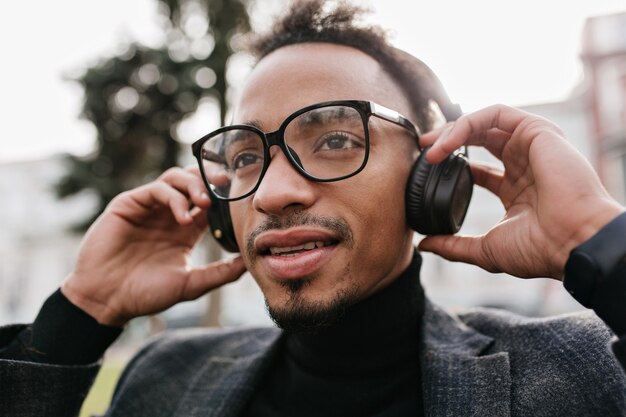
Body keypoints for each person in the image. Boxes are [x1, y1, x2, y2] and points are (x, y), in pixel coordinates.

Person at [2, 0, 626, 415]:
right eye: (246, 156)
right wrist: (79, 318)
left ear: (431, 181)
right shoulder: (163, 379)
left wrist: (601, 244)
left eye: (334, 140)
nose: (273, 193)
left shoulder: (579, 375)